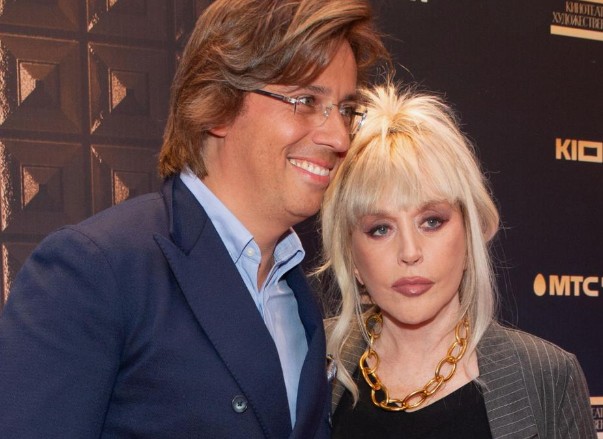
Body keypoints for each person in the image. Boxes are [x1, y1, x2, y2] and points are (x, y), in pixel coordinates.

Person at [0, 1, 388, 437]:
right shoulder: (97, 271)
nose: (338, 137)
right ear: (220, 105)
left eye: (345, 110)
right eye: (306, 101)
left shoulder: (298, 299)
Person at [320, 84, 597, 438]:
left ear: (469, 233)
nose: (409, 251)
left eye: (431, 221)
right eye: (380, 229)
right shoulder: (312, 360)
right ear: (352, 257)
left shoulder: (547, 377)